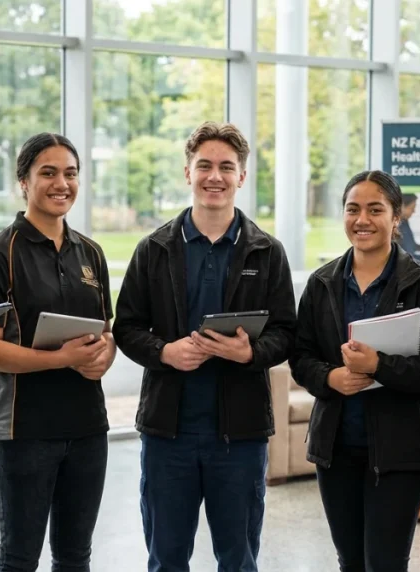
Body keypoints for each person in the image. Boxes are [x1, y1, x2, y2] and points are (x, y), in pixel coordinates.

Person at [113, 121, 297, 572]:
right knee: (167, 558)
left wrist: (250, 354)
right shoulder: (152, 249)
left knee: (238, 559)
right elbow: (127, 327)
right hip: (168, 434)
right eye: (205, 166)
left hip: (240, 436)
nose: (215, 176)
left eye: (226, 167)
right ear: (187, 172)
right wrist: (164, 353)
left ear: (241, 177)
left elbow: (288, 333)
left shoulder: (267, 252)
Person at [289, 170, 420, 572]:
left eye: (375, 209)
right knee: (350, 561)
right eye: (353, 209)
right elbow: (301, 356)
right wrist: (330, 378)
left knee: (385, 562)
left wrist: (380, 365)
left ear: (396, 217)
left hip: (400, 451)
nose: (362, 220)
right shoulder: (322, 282)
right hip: (336, 448)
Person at [0, 133, 116, 572]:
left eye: (70, 174)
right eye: (48, 173)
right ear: (23, 182)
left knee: (75, 556)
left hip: (88, 429)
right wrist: (62, 359)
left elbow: (105, 335)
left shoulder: (91, 253)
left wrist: (101, 357)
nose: (61, 183)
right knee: (19, 558)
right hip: (24, 432)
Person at [397, 192, 420, 263]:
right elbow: (406, 256)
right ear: (402, 206)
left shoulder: (405, 222)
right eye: (412, 208)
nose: (414, 211)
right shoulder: (395, 226)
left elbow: (410, 245)